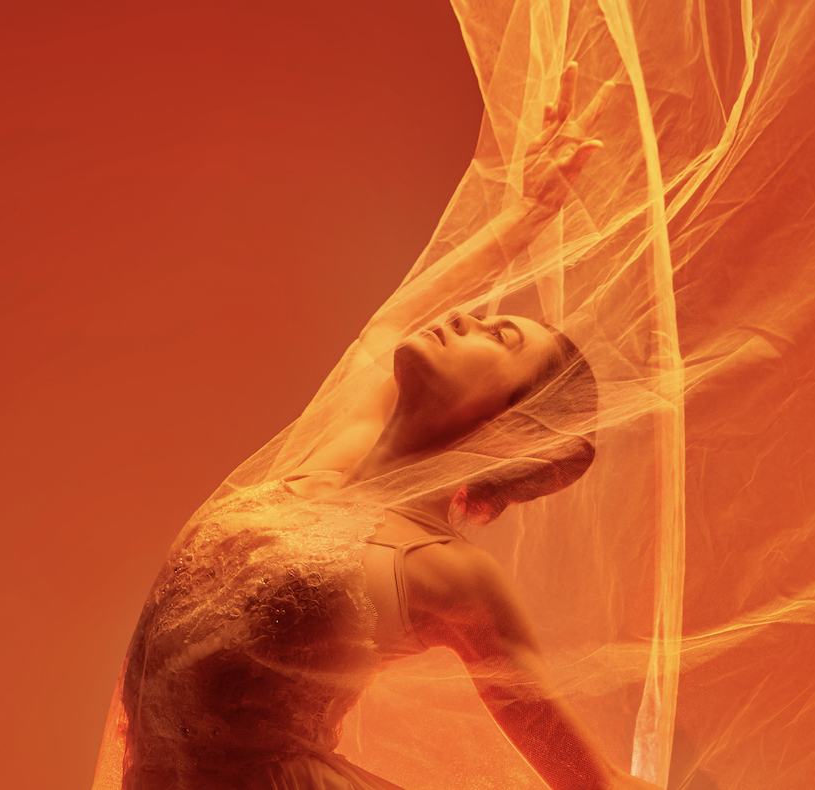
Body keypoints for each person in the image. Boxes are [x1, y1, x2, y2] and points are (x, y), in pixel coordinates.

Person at [92, 64, 661, 789]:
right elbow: (391, 322)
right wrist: (523, 217)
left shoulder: (447, 572)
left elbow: (586, 778)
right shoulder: (346, 438)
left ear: (509, 431)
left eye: (501, 339)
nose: (467, 315)